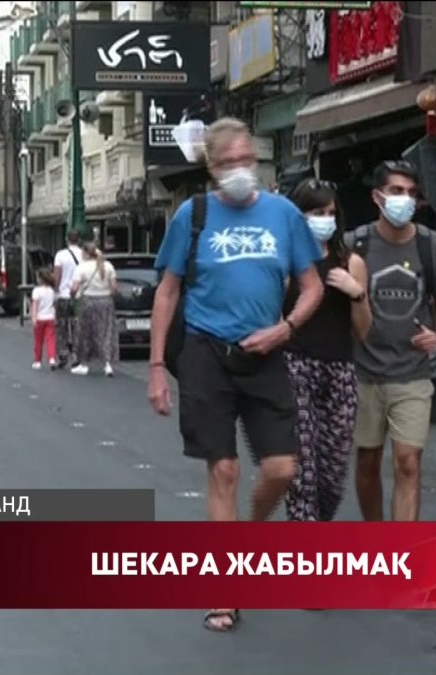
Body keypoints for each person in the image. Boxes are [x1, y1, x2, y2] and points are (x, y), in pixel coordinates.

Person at [147, 117, 323, 632]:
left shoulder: (284, 214)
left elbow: (312, 287)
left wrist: (285, 330)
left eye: (248, 160)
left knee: (282, 469)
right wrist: (157, 366)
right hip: (206, 352)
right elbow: (167, 291)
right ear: (211, 169)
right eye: (229, 163)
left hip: (267, 352)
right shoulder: (192, 214)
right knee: (222, 469)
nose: (241, 170)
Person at [344, 160, 436, 523]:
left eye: (411, 193)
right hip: (363, 373)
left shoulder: (433, 247)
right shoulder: (355, 245)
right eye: (396, 191)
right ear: (377, 197)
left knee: (408, 463)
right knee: (367, 462)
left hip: (412, 374)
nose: (404, 199)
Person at [280, 177, 371, 522]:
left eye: (331, 212)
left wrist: (357, 293)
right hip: (294, 368)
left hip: (339, 372)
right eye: (318, 212)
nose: (326, 219)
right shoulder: (285, 261)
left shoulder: (351, 262)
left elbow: (362, 331)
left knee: (331, 478)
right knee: (301, 475)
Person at [70, 242, 119, 377]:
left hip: (88, 301)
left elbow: (74, 288)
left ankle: (84, 363)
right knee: (106, 332)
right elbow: (114, 288)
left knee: (86, 333)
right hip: (106, 301)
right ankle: (107, 364)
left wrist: (72, 297)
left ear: (85, 253)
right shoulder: (108, 266)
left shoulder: (82, 268)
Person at [53, 230, 84, 368]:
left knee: (62, 326)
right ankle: (77, 354)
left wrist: (55, 291)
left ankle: (63, 354)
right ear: (79, 240)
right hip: (79, 296)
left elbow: (57, 276)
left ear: (67, 240)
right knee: (77, 326)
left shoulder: (61, 255)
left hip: (63, 295)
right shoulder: (84, 255)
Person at [31, 269, 58, 370]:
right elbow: (54, 304)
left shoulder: (36, 291)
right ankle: (52, 358)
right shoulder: (51, 291)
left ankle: (38, 361)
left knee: (38, 341)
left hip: (40, 318)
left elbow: (35, 306)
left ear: (40, 279)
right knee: (50, 339)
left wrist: (34, 318)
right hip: (50, 317)